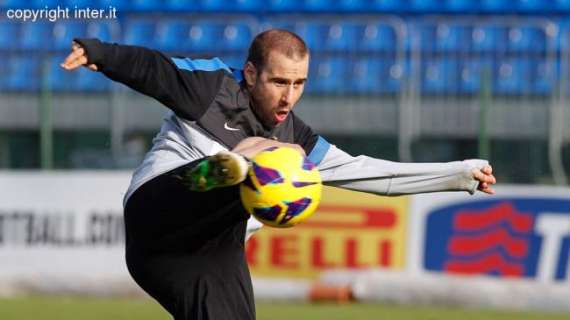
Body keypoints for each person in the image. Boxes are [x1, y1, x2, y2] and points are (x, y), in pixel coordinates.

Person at [61, 29, 496, 320]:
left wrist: (459, 175)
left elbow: (370, 175)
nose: (289, 96)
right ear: (250, 74)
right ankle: (235, 167)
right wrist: (101, 53)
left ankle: (242, 168)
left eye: (299, 83)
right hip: (160, 210)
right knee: (273, 159)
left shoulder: (297, 136)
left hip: (204, 257)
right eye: (279, 82)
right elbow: (153, 70)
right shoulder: (212, 87)